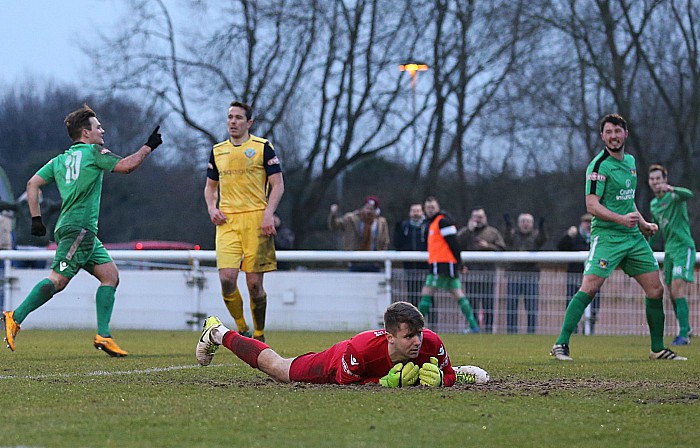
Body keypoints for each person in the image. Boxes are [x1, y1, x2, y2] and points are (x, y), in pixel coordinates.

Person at [1, 104, 162, 356]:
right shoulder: (94, 152)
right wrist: (148, 146)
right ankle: (15, 317)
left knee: (110, 276)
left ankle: (104, 335)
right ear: (85, 133)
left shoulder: (60, 160)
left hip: (79, 230)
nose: (102, 130)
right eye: (98, 127)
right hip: (80, 228)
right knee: (58, 280)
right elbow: (127, 166)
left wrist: (36, 219)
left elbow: (32, 183)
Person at [551, 113, 687, 361]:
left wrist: (642, 222)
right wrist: (620, 220)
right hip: (607, 237)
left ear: (626, 134)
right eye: (609, 132)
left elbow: (627, 199)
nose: (614, 136)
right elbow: (592, 205)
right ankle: (561, 344)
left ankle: (657, 349)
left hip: (633, 238)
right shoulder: (598, 166)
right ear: (603, 136)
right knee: (590, 287)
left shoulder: (631, 162)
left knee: (655, 289)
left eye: (618, 131)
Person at [196, 301, 459, 387]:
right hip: (336, 361)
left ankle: (467, 372)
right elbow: (346, 383)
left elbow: (447, 374)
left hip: (364, 368)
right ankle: (217, 332)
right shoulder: (361, 349)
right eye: (408, 336)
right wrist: (386, 383)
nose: (417, 341)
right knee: (278, 368)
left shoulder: (432, 342)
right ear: (390, 336)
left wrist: (443, 380)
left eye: (419, 334)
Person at [204, 101, 284, 343]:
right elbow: (210, 187)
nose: (233, 122)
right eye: (230, 117)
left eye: (238, 118)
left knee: (254, 285)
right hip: (227, 221)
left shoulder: (262, 148)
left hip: (256, 221)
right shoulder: (218, 151)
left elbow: (278, 184)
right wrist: (211, 208)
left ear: (249, 122)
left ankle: (259, 333)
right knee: (227, 279)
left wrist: (269, 213)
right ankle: (242, 327)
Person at [648, 164, 695, 346]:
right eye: (652, 179)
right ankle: (686, 328)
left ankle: (683, 334)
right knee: (671, 292)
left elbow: (689, 195)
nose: (655, 182)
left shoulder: (674, 196)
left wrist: (673, 188)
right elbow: (656, 229)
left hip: (684, 248)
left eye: (658, 179)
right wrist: (647, 248)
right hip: (670, 251)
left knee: (677, 289)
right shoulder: (654, 204)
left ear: (665, 180)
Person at [418, 196, 480, 333]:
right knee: (458, 293)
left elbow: (454, 243)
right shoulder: (433, 223)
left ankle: (415, 326)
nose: (430, 210)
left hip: (442, 265)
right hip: (444, 264)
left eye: (432, 207)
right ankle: (473, 325)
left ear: (438, 207)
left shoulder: (443, 222)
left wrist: (460, 263)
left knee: (427, 291)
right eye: (427, 208)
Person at [457, 207, 505, 333]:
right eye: (475, 217)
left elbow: (502, 249)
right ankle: (473, 328)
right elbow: (456, 245)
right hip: (470, 274)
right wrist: (468, 230)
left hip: (488, 274)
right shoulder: (465, 232)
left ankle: (489, 330)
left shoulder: (492, 232)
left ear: (485, 218)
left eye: (480, 217)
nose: (478, 220)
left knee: (488, 303)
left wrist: (488, 246)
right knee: (471, 303)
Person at [504, 212, 547, 334]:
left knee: (532, 307)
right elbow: (506, 239)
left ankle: (531, 332)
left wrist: (542, 227)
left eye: (528, 221)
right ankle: (511, 332)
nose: (525, 224)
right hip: (514, 275)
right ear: (518, 224)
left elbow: (542, 239)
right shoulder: (513, 235)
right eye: (523, 221)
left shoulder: (536, 236)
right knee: (512, 306)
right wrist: (507, 225)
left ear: (532, 224)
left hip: (531, 275)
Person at [556, 213, 600, 334]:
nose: (588, 225)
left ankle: (589, 330)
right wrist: (568, 236)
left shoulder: (598, 237)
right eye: (586, 222)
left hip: (594, 277)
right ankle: (572, 330)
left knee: (594, 304)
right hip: (574, 276)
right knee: (572, 302)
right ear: (581, 223)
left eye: (590, 222)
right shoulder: (575, 237)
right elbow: (560, 247)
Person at [0, 191, 62, 268]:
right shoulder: (21, 205)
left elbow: (62, 204)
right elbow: (4, 205)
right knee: (19, 276)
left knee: (38, 276)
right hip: (22, 249)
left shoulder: (47, 205)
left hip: (40, 249)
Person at [328, 196, 390, 272]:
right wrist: (333, 215)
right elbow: (334, 226)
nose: (368, 211)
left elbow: (385, 241)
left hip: (373, 262)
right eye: (367, 208)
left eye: (371, 209)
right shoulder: (351, 219)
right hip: (355, 262)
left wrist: (380, 258)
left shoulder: (381, 223)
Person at [394, 203, 428, 307]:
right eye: (413, 211)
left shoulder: (428, 226)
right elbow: (398, 244)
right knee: (412, 294)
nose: (416, 213)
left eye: (418, 211)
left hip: (425, 266)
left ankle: (432, 321)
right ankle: (414, 320)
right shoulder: (405, 226)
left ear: (422, 212)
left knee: (428, 295)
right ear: (410, 213)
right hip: (409, 266)